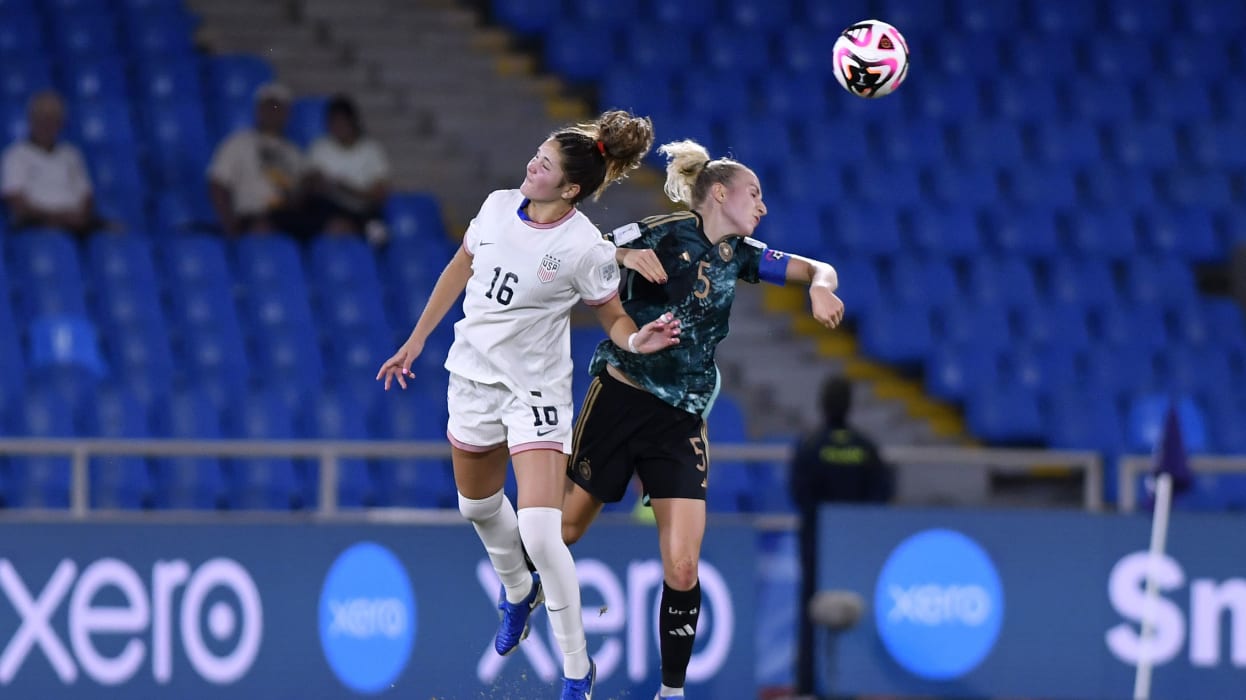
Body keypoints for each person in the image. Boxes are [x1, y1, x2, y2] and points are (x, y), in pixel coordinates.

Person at [376, 110, 680, 699]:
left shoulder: (584, 247)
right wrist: (416, 340)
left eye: (544, 165)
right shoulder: (496, 207)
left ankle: (577, 671)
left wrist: (636, 340)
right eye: (537, 155)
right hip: (473, 378)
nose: (531, 166)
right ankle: (519, 590)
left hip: (535, 391)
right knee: (476, 506)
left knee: (541, 534)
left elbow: (613, 315)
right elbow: (460, 266)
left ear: (569, 189)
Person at [561, 140, 845, 700]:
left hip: (680, 419)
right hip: (621, 399)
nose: (762, 206)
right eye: (754, 194)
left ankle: (671, 692)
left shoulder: (740, 254)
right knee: (566, 530)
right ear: (719, 194)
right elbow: (583, 249)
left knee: (685, 566)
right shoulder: (665, 231)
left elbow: (820, 267)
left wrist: (818, 288)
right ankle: (518, 583)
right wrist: (622, 258)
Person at [789, 375, 892, 696]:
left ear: (823, 405)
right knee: (856, 610)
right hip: (856, 545)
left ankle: (808, 684)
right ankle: (854, 683)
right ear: (850, 405)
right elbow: (882, 493)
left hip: (816, 544)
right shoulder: (865, 448)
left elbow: (799, 494)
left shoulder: (811, 446)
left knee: (812, 611)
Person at [207, 82, 312, 237]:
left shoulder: (294, 152)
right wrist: (230, 223)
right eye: (268, 107)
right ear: (258, 110)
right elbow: (217, 184)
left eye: (278, 108)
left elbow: (302, 192)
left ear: (287, 113)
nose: (272, 112)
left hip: (285, 218)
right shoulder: (238, 143)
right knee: (264, 228)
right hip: (250, 216)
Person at [1, 90, 102, 237]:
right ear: (31, 119)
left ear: (61, 123)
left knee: (117, 233)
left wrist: (77, 217)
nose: (47, 124)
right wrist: (57, 218)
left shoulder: (71, 154)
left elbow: (86, 196)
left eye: (53, 119)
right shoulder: (15, 155)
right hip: (36, 225)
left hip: (76, 225)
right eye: (42, 118)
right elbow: (17, 203)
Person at [306, 94, 390, 242]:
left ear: (352, 121)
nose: (338, 127)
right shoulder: (320, 148)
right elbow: (310, 185)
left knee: (379, 234)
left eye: (342, 121)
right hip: (331, 209)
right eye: (333, 122)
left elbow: (379, 193)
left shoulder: (372, 150)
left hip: (363, 211)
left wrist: (346, 187)